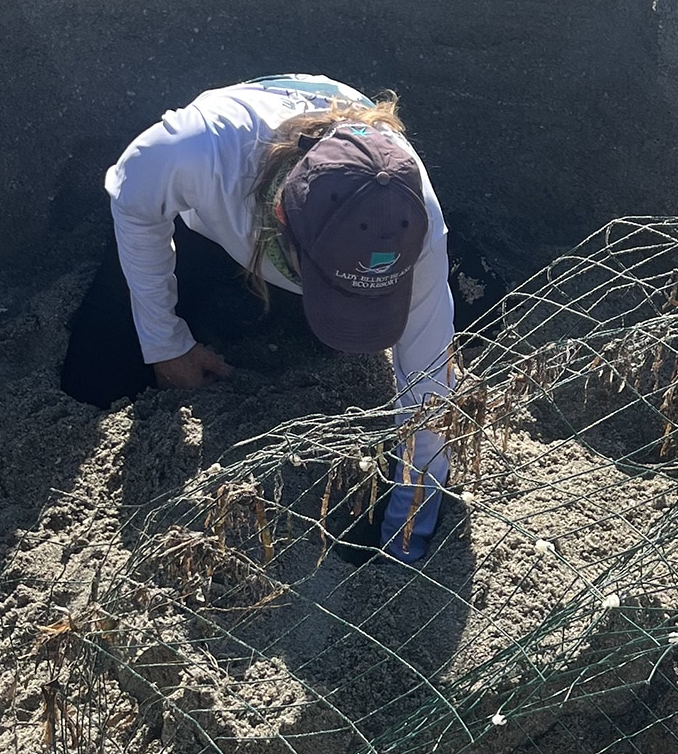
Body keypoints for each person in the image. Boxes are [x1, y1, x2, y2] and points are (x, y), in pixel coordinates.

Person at [63, 75, 453, 564]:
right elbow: (134, 203)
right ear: (282, 226)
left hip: (297, 249)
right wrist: (165, 344)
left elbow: (429, 386)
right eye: (335, 290)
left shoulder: (414, 221)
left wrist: (407, 532)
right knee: (93, 379)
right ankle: (244, 297)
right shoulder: (193, 153)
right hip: (207, 228)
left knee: (434, 306)